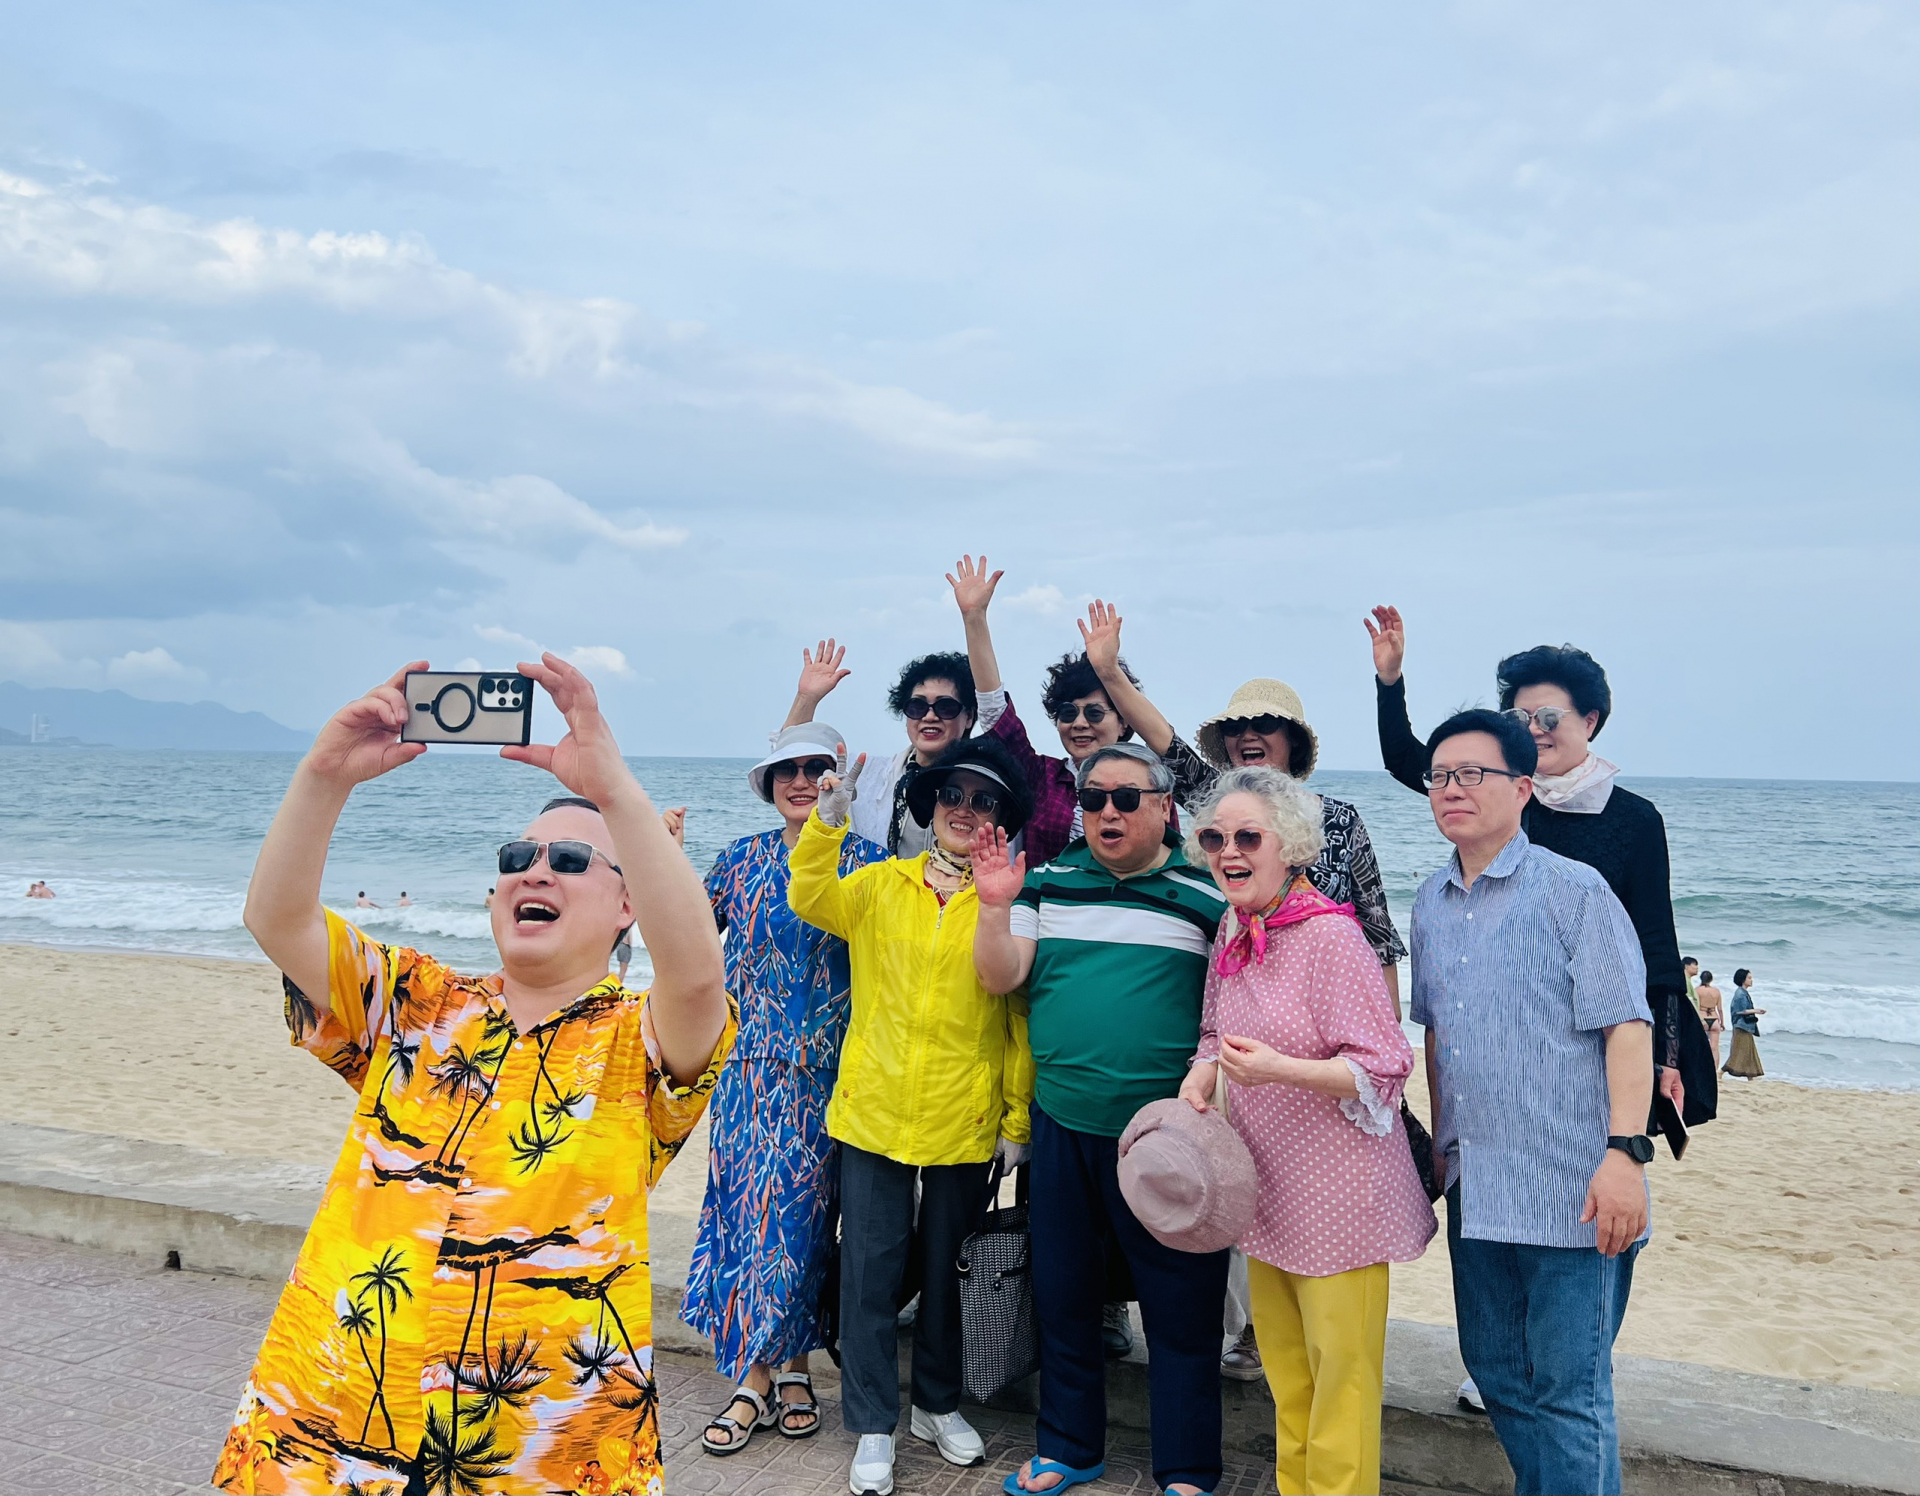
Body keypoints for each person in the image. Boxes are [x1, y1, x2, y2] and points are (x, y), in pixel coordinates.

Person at [211, 655, 734, 1496]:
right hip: (333, 1425)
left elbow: (697, 974)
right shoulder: (418, 1003)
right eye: (518, 853)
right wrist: (323, 774)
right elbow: (277, 919)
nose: (536, 868)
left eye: (570, 859)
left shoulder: (638, 1042)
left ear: (627, 905)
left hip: (544, 1451)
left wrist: (614, 789)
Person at [973, 742, 1233, 1496]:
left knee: (1181, 1307)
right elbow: (1000, 976)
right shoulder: (1047, 884)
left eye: (1126, 798)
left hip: (1171, 1137)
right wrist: (994, 906)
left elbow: (1234, 1005)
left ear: (1165, 807)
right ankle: (1068, 1445)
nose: (1108, 813)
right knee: (1064, 1295)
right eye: (1093, 801)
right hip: (1063, 1127)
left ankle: (1186, 1469)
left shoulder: (1206, 891)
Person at [1411, 708, 1654, 1496]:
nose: (1452, 789)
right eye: (1439, 776)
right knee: (1499, 1377)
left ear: (1522, 788)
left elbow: (1628, 1027)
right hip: (1476, 1188)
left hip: (1573, 1192)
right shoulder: (1429, 903)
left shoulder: (1574, 892)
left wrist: (1625, 1156)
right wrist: (1443, 1150)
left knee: (1570, 1395)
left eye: (1470, 774)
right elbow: (1441, 1040)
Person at [1175, 766, 1435, 1495]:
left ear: (1288, 846)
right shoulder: (1236, 924)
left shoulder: (1330, 936)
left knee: (1341, 1392)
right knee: (1290, 1384)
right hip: (1269, 1194)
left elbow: (1385, 1065)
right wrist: (1203, 1072)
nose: (1230, 850)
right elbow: (1212, 1031)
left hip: (1342, 1205)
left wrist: (1283, 1070)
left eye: (1248, 836)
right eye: (1215, 837)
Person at [1367, 605, 1715, 1150]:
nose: (1534, 730)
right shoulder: (1499, 797)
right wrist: (1391, 681)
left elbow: (1655, 942)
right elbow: (1408, 760)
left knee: (1599, 1164)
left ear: (1591, 721)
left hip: (1598, 1028)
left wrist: (1664, 1058)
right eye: (1519, 720)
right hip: (1509, 1029)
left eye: (1548, 718)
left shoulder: (1633, 819)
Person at [788, 733, 1036, 1496]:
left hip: (962, 1116)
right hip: (874, 1111)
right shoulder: (879, 884)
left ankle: (935, 1402)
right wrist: (825, 825)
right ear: (928, 807)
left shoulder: (1009, 901)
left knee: (946, 1271)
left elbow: (1018, 1018)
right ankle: (871, 1423)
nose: (965, 810)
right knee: (868, 1273)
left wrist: (1015, 1120)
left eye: (984, 800)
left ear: (1001, 817)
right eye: (953, 796)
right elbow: (810, 896)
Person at [683, 723, 890, 1456]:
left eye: (818, 769)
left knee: (804, 1225)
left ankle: (782, 1369)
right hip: (747, 1070)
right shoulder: (738, 859)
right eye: (786, 771)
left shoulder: (870, 864)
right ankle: (765, 1376)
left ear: (841, 780)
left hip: (836, 1074)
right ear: (769, 786)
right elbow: (684, 943)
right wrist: (664, 860)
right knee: (750, 1220)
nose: (802, 781)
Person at [779, 629, 1006, 857]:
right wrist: (806, 698)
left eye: (945, 706)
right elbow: (791, 755)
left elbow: (1000, 719)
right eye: (917, 706)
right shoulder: (868, 776)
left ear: (968, 716)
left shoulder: (988, 787)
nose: (929, 716)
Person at [1723, 969, 1766, 1079]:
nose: (1751, 980)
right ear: (1743, 979)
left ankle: (1750, 1076)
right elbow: (1741, 1011)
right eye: (1749, 978)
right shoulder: (1740, 994)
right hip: (1741, 1026)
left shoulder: (1743, 993)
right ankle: (1722, 1071)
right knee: (1739, 1052)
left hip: (1745, 1027)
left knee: (1748, 1051)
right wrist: (1756, 1011)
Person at [1695, 970, 1726, 1066]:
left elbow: (1695, 1006)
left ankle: (1700, 1066)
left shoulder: (1697, 990)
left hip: (1702, 1018)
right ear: (1711, 979)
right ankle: (1715, 1069)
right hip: (1714, 1019)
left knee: (1699, 1045)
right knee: (1714, 1048)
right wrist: (1722, 1023)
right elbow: (1720, 1009)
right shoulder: (1716, 991)